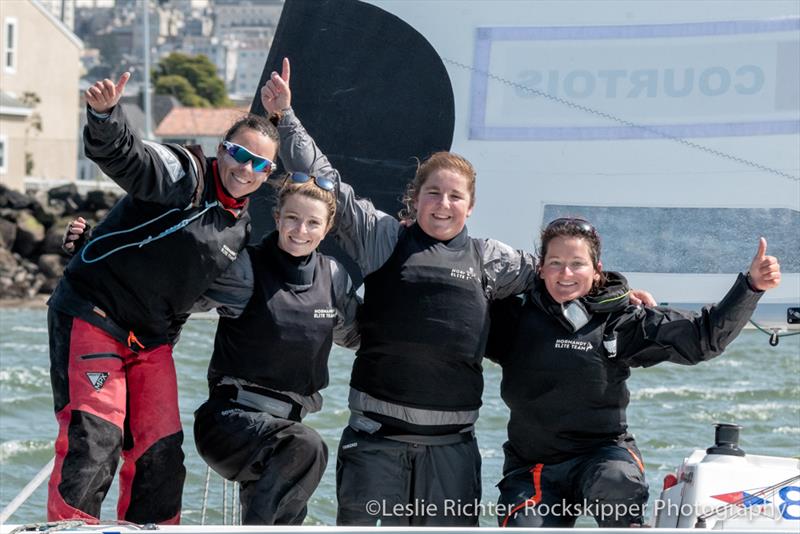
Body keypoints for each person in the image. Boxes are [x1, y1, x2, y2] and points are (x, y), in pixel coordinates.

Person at [261, 59, 654, 526]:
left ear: (470, 205)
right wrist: (286, 118)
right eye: (433, 193)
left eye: (454, 196)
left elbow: (564, 273)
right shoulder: (382, 237)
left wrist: (617, 292)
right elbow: (327, 183)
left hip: (452, 446)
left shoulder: (492, 259)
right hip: (375, 442)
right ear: (415, 197)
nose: (442, 205)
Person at [47, 72, 278, 524]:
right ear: (221, 148)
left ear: (269, 173)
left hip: (150, 340)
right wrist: (104, 116)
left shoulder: (242, 228)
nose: (245, 169)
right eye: (238, 154)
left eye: (260, 164)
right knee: (96, 441)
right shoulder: (186, 173)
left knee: (162, 455)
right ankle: (71, 531)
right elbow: (130, 158)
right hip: (93, 314)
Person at [485, 217, 781, 528]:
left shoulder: (621, 320)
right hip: (533, 466)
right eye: (555, 262)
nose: (566, 273)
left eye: (577, 263)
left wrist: (751, 286)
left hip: (604, 456)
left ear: (597, 269)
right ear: (540, 268)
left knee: (616, 482)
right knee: (525, 525)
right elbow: (454, 321)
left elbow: (703, 339)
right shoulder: (513, 319)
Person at [191, 175, 360, 525]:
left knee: (289, 514)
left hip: (285, 434)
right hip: (229, 422)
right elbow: (180, 295)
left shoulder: (335, 278)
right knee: (310, 446)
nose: (301, 230)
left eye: (313, 222)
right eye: (292, 218)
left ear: (327, 228)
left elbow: (360, 337)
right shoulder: (244, 268)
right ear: (278, 217)